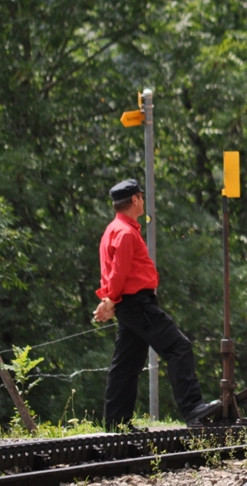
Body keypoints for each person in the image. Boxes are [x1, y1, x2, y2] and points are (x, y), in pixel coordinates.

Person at [93, 179, 219, 431]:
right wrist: (110, 299)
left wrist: (109, 300)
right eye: (142, 196)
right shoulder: (126, 232)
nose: (143, 199)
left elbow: (110, 272)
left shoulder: (113, 229)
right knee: (178, 347)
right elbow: (119, 272)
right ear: (136, 200)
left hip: (128, 304)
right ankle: (193, 409)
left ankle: (116, 423)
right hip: (138, 304)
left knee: (126, 364)